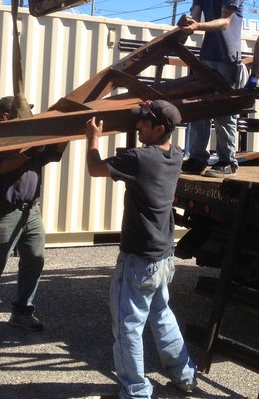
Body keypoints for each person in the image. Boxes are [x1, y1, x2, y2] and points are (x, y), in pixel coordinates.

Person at [84, 100, 197, 399]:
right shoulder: (175, 155)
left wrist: (93, 137)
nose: (137, 126)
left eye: (144, 123)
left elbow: (95, 168)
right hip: (162, 258)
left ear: (159, 128)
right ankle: (184, 375)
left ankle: (135, 392)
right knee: (161, 313)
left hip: (139, 260)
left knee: (127, 326)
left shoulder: (140, 158)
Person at [0, 96, 66, 338]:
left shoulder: (33, 139)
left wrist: (66, 130)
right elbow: (1, 168)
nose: (29, 117)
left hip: (32, 211)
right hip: (6, 213)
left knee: (34, 260)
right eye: (23, 112)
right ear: (5, 117)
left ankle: (22, 313)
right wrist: (29, 146)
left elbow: (55, 151)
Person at [177, 0, 245, 177]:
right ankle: (197, 157)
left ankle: (227, 161)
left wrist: (197, 25)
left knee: (224, 113)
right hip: (206, 57)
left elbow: (224, 22)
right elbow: (194, 15)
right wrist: (186, 22)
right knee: (199, 109)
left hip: (227, 58)